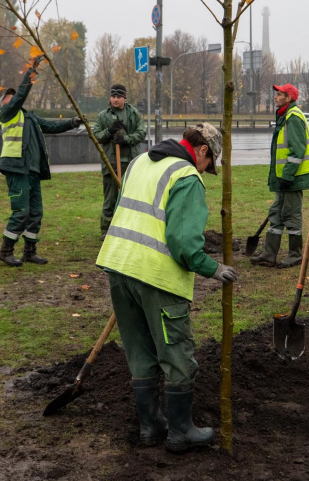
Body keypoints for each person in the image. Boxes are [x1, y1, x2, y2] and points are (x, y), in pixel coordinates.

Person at [96, 123, 239, 452]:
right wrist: (213, 269)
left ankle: (150, 427)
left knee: (140, 351)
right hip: (156, 277)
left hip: (119, 267)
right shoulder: (187, 176)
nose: (206, 169)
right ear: (202, 150)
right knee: (176, 354)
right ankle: (180, 432)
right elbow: (183, 243)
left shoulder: (140, 161)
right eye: (209, 162)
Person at [0, 66, 83, 267]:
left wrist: (72, 122)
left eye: (12, 96)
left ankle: (30, 251)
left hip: (32, 171)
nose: (13, 98)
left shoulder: (30, 117)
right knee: (21, 211)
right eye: (8, 97)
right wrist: (31, 72)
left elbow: (51, 126)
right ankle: (6, 250)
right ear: (3, 104)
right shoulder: (7, 114)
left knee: (35, 213)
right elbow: (21, 96)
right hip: (17, 169)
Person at [250, 83, 309, 268]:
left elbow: (297, 150)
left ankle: (295, 255)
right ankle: (269, 254)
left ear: (288, 98)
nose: (275, 97)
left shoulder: (293, 118)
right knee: (276, 213)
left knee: (291, 214)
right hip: (285, 178)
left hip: (293, 178)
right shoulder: (285, 116)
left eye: (279, 94)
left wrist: (288, 176)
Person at [92, 83, 146, 239]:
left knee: (131, 196)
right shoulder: (103, 116)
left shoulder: (133, 114)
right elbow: (97, 135)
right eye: (113, 96)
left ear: (124, 98)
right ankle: (106, 230)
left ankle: (131, 228)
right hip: (111, 162)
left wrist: (125, 139)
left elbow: (141, 132)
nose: (115, 100)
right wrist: (109, 131)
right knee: (110, 198)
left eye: (119, 97)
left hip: (130, 163)